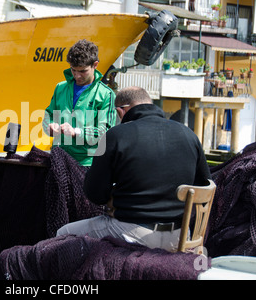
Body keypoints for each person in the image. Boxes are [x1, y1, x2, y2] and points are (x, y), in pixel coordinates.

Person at [56, 86, 211, 251]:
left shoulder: (115, 135)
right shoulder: (189, 135)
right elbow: (204, 185)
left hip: (132, 233)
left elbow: (95, 194)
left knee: (64, 233)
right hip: (181, 236)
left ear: (122, 111)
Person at [42, 39, 116, 166]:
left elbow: (105, 132)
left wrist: (76, 132)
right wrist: (49, 126)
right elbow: (48, 115)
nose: (77, 75)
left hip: (88, 164)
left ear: (95, 65)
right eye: (73, 70)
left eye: (82, 71)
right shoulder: (60, 88)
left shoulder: (106, 95)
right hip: (59, 160)